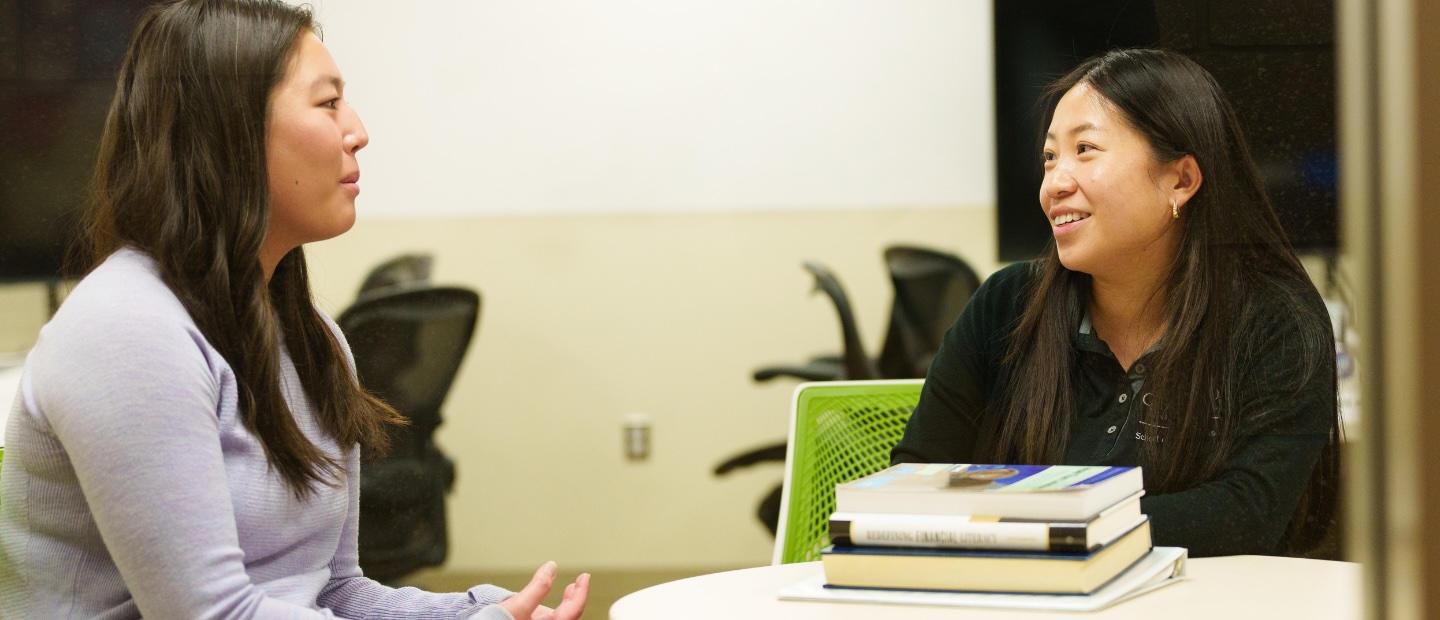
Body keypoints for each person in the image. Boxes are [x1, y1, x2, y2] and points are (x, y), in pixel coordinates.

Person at [0, 1, 588, 617]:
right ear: (230, 129)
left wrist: (475, 611)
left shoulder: (313, 340)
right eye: (328, 103)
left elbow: (335, 592)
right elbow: (213, 616)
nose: (357, 130)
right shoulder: (127, 331)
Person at [891, 48, 1341, 558]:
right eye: (1049, 157)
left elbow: (1245, 516)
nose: (1054, 183)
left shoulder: (1275, 319)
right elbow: (915, 482)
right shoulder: (1006, 304)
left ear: (1181, 180)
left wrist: (1038, 520)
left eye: (1085, 149)